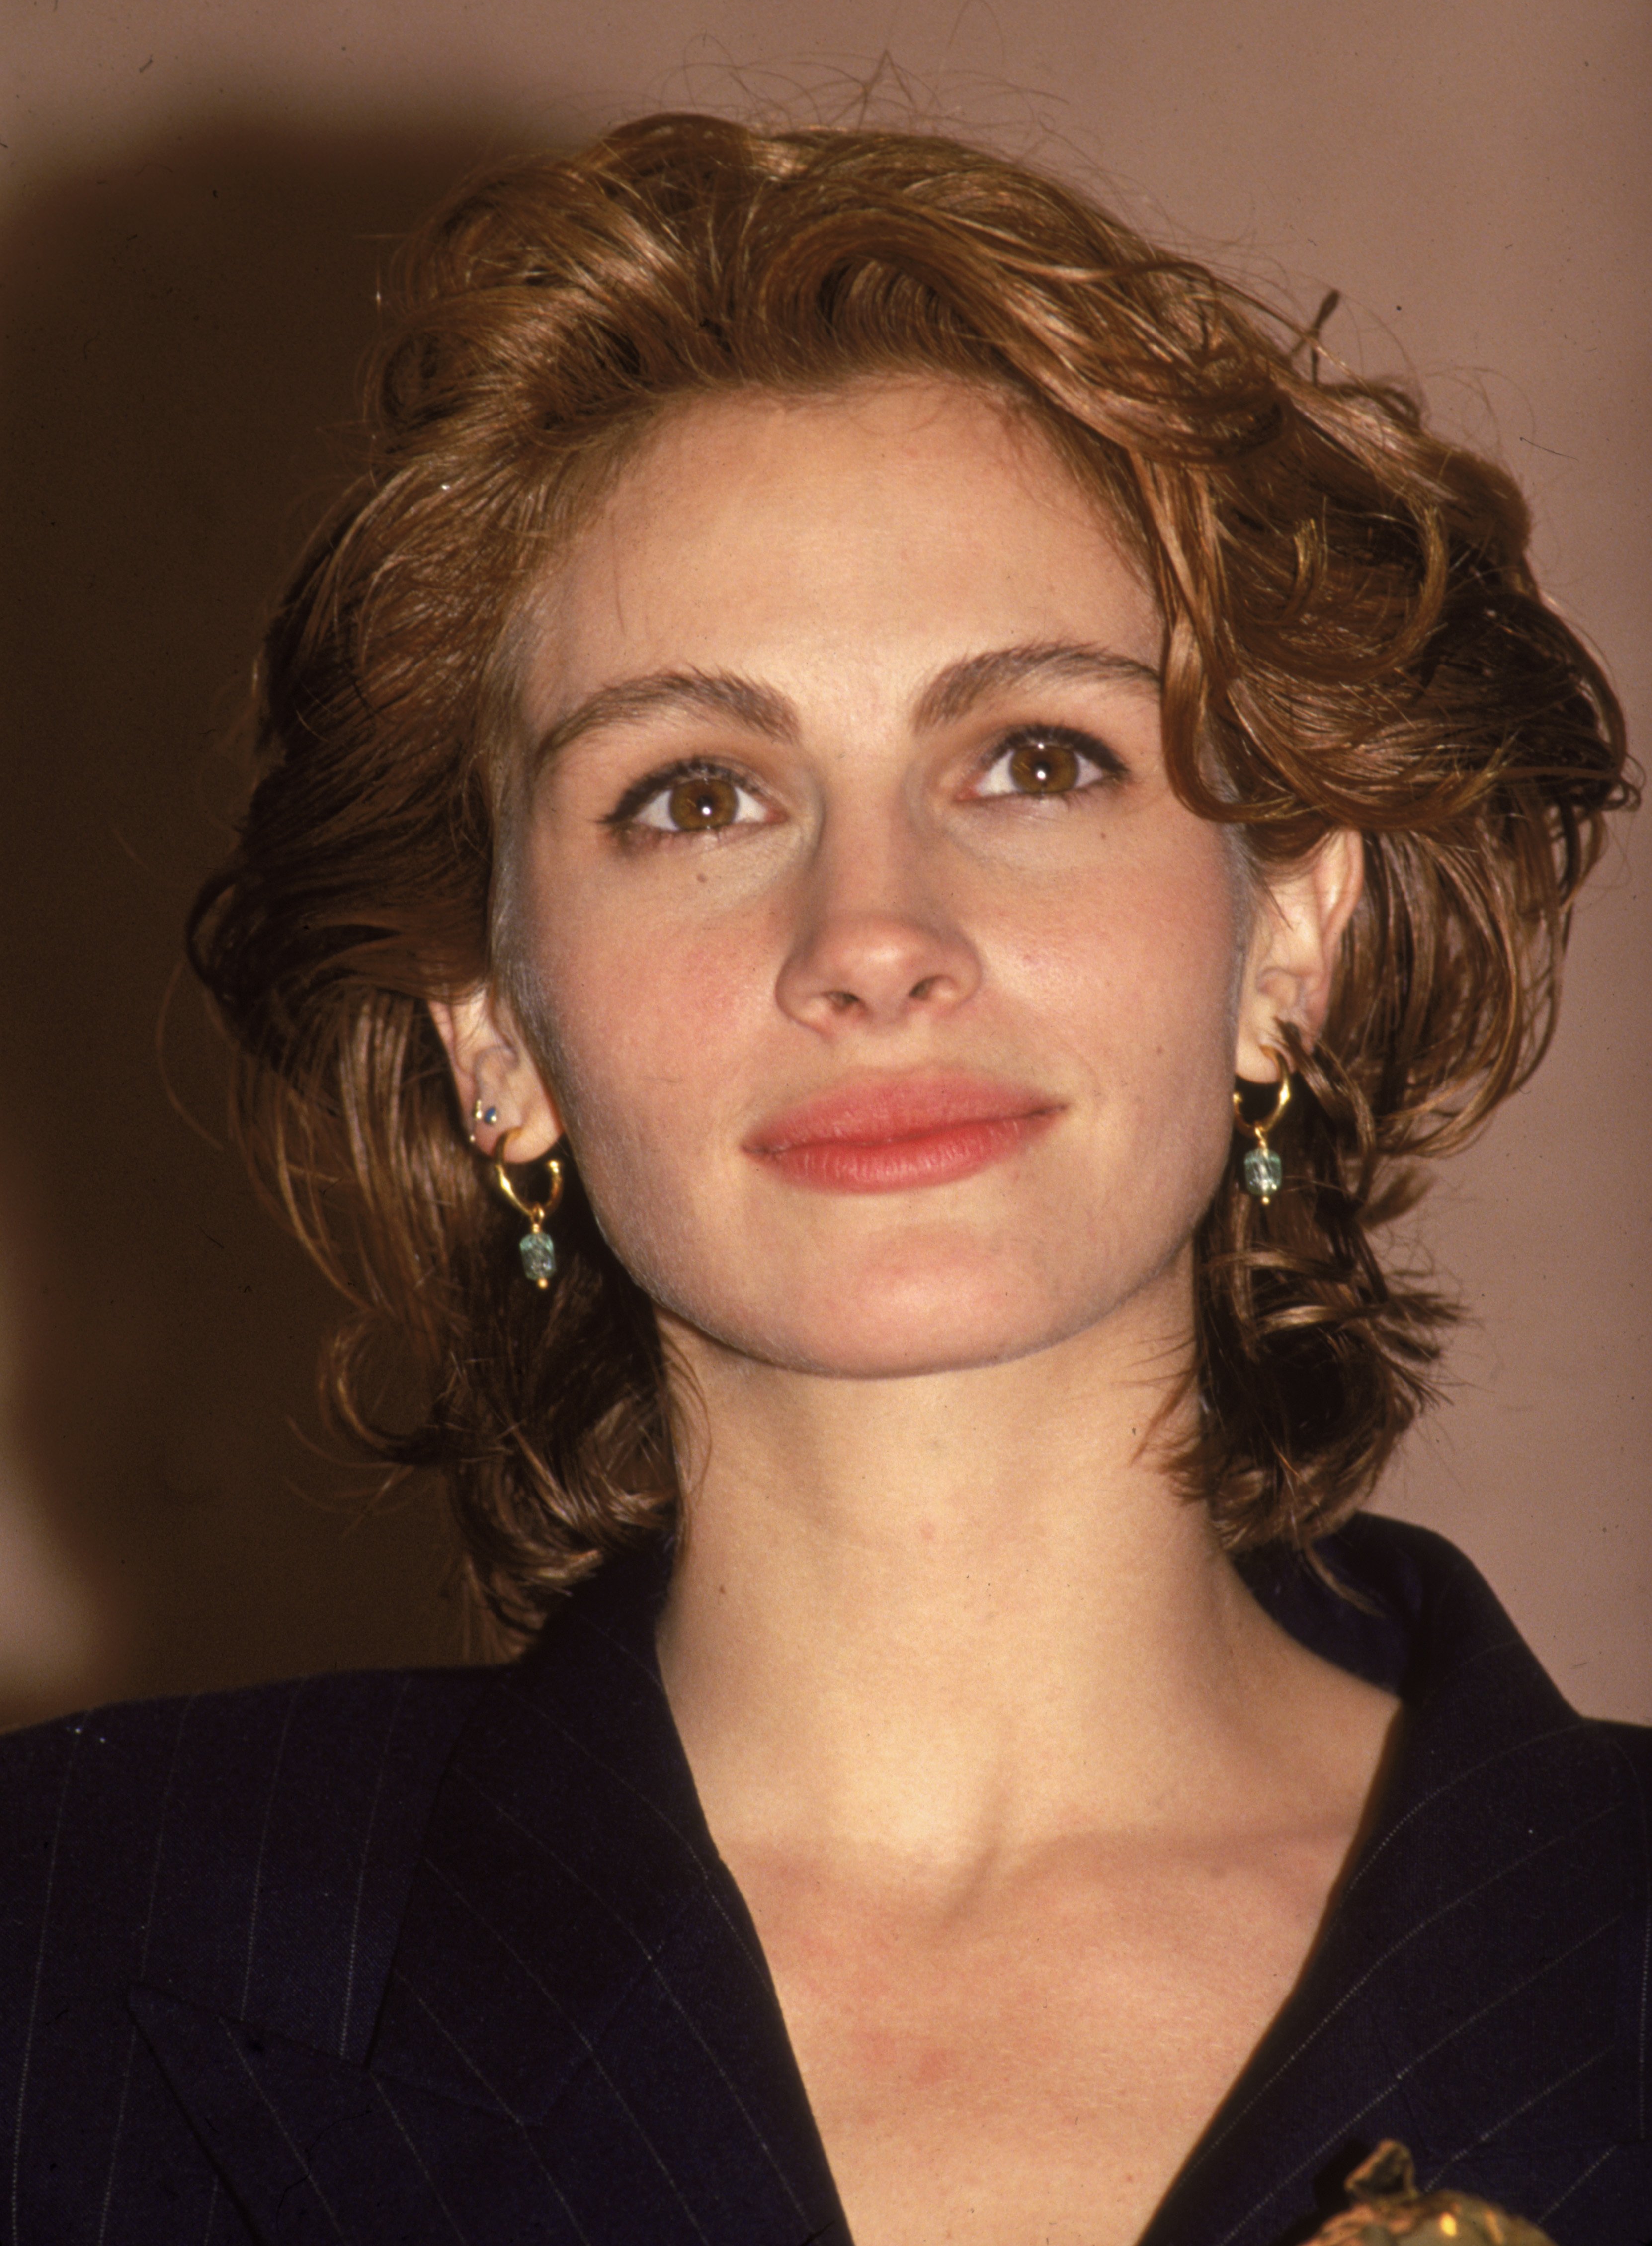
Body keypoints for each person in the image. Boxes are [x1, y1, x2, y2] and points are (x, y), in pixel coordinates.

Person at [0, 113, 1644, 2246]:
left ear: (1294, 935)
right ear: (493, 1029)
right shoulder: (63, 1948)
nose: (874, 932)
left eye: (1036, 758)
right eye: (696, 794)